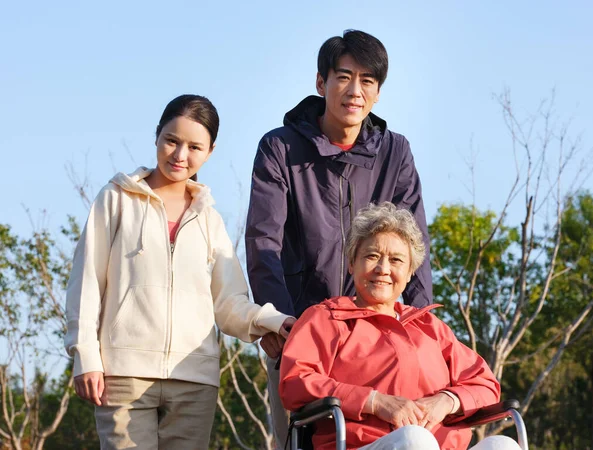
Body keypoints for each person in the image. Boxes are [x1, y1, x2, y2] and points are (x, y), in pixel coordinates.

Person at [64, 94, 295, 450]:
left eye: (194, 146)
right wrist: (86, 357)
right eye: (172, 140)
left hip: (194, 381)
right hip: (123, 374)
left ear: (210, 152)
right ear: (157, 136)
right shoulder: (116, 199)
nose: (180, 155)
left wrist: (273, 321)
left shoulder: (209, 219)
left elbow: (229, 303)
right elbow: (87, 283)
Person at [245, 29, 433, 447]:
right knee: (302, 439)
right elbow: (263, 242)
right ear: (320, 82)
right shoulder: (280, 148)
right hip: (303, 333)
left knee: (397, 437)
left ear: (379, 92)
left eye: (368, 80)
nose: (355, 90)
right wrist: (279, 322)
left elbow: (414, 246)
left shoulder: (395, 152)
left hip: (378, 338)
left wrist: (421, 326)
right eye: (344, 76)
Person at [279, 203, 521, 450]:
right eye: (372, 256)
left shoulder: (429, 326)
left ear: (409, 273)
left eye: (396, 260)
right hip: (364, 444)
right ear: (352, 264)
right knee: (414, 439)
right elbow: (295, 381)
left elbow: (485, 384)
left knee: (504, 445)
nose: (383, 269)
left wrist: (446, 401)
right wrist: (375, 402)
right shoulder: (326, 319)